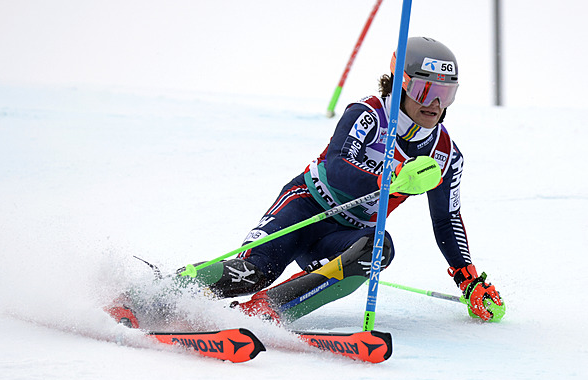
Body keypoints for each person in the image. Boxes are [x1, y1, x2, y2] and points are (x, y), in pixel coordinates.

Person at [108, 37, 505, 328]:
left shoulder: (445, 155)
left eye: (445, 94)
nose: (434, 105)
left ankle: (267, 311)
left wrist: (468, 278)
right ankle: (143, 297)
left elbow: (446, 219)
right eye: (424, 90)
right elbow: (337, 168)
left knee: (378, 247)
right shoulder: (368, 115)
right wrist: (392, 178)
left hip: (346, 235)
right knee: (253, 271)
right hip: (307, 205)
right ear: (400, 83)